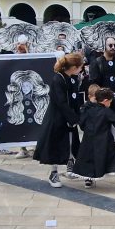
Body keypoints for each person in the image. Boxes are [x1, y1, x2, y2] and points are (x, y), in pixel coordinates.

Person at [33, 52, 84, 187]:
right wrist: (72, 117)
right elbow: (61, 102)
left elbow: (75, 99)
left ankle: (71, 167)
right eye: (80, 67)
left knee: (71, 143)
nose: (81, 69)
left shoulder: (73, 78)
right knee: (56, 146)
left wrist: (77, 116)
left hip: (69, 117)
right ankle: (53, 173)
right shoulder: (58, 79)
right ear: (73, 67)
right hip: (57, 119)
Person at [73, 88, 115, 192]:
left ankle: (88, 180)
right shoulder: (106, 111)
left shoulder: (89, 110)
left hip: (88, 140)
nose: (110, 103)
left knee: (88, 159)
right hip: (104, 141)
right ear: (105, 100)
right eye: (110, 101)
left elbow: (82, 124)